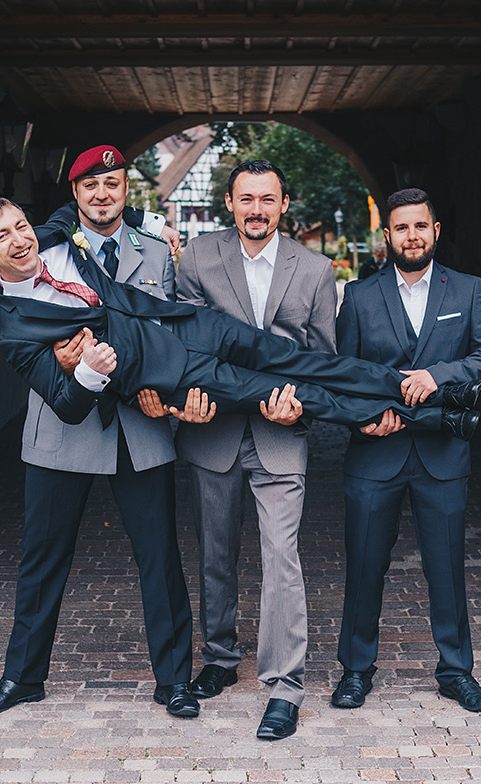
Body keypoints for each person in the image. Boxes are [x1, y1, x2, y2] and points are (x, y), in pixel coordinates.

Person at [0, 145, 200, 720]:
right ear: (73, 196)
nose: (101, 193)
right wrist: (63, 361)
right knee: (42, 558)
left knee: (160, 557)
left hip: (139, 425)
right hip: (60, 425)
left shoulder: (156, 251)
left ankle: (175, 680)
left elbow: (167, 330)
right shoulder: (48, 242)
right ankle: (22, 677)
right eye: (90, 185)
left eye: (112, 183)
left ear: (126, 189)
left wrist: (165, 392)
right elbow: (25, 323)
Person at [0, 198, 481, 437]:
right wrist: (87, 372)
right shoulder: (15, 333)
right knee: (293, 393)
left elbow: (97, 206)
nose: (19, 240)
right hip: (174, 377)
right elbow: (66, 407)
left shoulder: (56, 232)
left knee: (307, 362)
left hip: (193, 324)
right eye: (3, 236)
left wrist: (153, 223)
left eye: (20, 225)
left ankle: (429, 389)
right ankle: (436, 418)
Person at [330, 187, 481, 714]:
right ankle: (356, 670)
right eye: (401, 228)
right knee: (364, 566)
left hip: (443, 454)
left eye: (420, 226)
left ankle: (456, 673)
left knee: (446, 568)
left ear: (435, 230)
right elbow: (341, 374)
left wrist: (439, 375)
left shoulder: (467, 290)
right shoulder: (359, 296)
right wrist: (365, 417)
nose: (411, 236)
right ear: (386, 235)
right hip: (374, 454)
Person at [172, 160, 326, 741]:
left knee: (281, 557)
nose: (256, 209)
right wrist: (183, 402)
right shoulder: (197, 259)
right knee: (215, 551)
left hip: (280, 436)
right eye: (246, 198)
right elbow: (184, 345)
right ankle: (219, 656)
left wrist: (301, 408)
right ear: (230, 204)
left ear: (284, 204)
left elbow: (323, 362)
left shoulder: (314, 269)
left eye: (267, 199)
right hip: (212, 428)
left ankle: (285, 686)